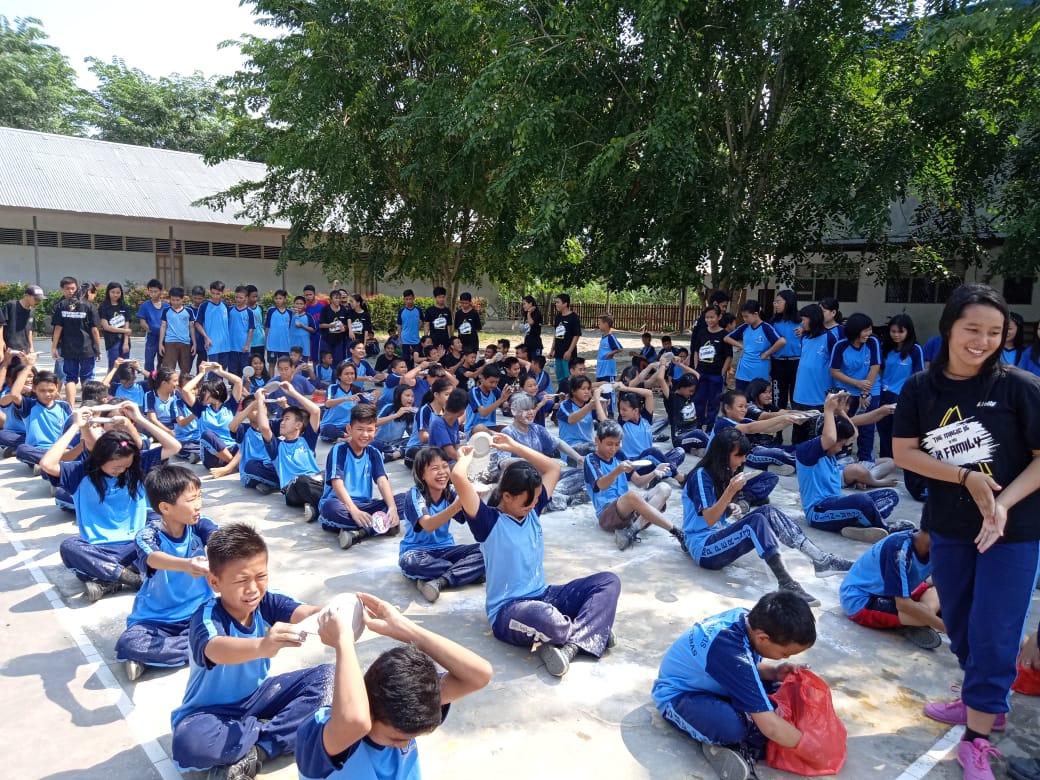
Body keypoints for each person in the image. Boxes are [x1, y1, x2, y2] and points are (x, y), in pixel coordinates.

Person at [892, 284, 1040, 778]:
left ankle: (977, 738)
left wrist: (1002, 504)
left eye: (995, 332)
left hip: (1011, 531)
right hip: (950, 525)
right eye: (972, 329)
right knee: (957, 620)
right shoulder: (921, 388)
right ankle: (983, 700)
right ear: (950, 327)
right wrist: (965, 477)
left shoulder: (1020, 387)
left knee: (995, 628)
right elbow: (904, 452)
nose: (983, 341)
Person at [452, 435, 622, 678]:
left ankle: (576, 642)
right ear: (507, 496)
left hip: (544, 595)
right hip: (509, 610)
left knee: (608, 582)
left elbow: (553, 468)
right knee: (549, 621)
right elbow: (458, 478)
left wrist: (514, 446)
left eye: (535, 499)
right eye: (527, 502)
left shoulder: (531, 510)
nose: (533, 505)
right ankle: (593, 630)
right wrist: (465, 458)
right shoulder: (487, 522)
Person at [169, 523, 330, 778]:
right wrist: (262, 646)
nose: (253, 588)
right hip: (209, 712)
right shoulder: (206, 617)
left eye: (261, 576)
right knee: (189, 743)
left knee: (331, 679)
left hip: (260, 696)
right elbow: (215, 649)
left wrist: (339, 610)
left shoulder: (267, 602)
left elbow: (306, 612)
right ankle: (273, 731)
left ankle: (259, 748)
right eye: (242, 580)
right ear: (215, 582)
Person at [295, 591, 492, 780]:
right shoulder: (321, 737)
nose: (404, 746)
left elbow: (479, 675)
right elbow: (355, 722)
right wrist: (343, 642)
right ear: (370, 711)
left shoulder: (408, 707)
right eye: (395, 739)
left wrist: (405, 628)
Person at [652, 591, 816, 780]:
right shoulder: (729, 650)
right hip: (679, 696)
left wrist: (773, 673)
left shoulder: (748, 620)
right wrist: (813, 748)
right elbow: (771, 727)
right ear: (763, 638)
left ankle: (744, 722)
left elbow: (742, 668)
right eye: (785, 653)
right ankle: (720, 742)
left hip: (714, 682)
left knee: (786, 690)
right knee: (732, 728)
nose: (786, 658)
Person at [683, 428, 850, 604]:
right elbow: (709, 519)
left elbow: (717, 509)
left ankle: (821, 559)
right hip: (704, 548)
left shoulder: (723, 471)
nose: (744, 460)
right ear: (722, 455)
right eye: (739, 456)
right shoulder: (701, 476)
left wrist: (731, 506)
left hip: (719, 534)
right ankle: (785, 582)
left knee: (767, 511)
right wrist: (730, 491)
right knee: (755, 522)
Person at [41, 404, 181, 602]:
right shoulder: (80, 473)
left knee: (164, 528)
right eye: (116, 466)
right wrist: (76, 426)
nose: (121, 470)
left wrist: (139, 419)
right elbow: (47, 464)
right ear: (100, 459)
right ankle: (132, 578)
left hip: (136, 544)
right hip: (98, 547)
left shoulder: (136, 469)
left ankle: (107, 579)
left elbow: (174, 447)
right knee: (69, 547)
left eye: (126, 466)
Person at [115, 465, 216, 681]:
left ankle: (161, 656)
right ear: (165, 507)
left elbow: (218, 538)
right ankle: (203, 646)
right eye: (191, 499)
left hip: (200, 610)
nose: (199, 504)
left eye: (199, 496)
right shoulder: (148, 535)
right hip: (156, 619)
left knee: (231, 618)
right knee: (129, 643)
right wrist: (187, 565)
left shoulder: (200, 526)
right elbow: (153, 558)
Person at [796, 391, 902, 542]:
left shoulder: (831, 452)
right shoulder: (807, 451)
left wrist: (840, 411)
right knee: (862, 501)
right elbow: (830, 438)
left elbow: (854, 434)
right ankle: (885, 529)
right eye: (840, 444)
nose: (841, 448)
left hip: (837, 504)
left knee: (890, 495)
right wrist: (828, 409)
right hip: (819, 513)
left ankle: (858, 526)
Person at [583, 419, 687, 552]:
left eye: (617, 444)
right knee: (632, 496)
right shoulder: (591, 459)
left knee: (664, 488)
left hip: (630, 511)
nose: (613, 449)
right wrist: (617, 471)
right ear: (597, 441)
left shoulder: (619, 455)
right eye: (609, 444)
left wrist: (654, 473)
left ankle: (632, 531)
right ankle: (676, 532)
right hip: (608, 514)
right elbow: (600, 485)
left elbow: (638, 481)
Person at [398, 446, 487, 602]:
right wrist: (457, 505)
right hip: (417, 552)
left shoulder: (451, 491)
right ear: (422, 474)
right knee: (410, 563)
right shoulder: (414, 495)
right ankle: (465, 571)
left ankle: (439, 581)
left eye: (445, 466)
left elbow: (473, 520)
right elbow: (428, 525)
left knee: (486, 551)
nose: (442, 472)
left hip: (446, 549)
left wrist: (475, 499)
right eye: (434, 468)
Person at [839, 528, 945, 650]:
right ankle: (917, 620)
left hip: (898, 593)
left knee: (939, 593)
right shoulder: (898, 549)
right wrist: (948, 629)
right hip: (862, 600)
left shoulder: (934, 547)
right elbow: (903, 604)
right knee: (924, 618)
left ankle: (920, 615)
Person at [319, 404, 402, 548]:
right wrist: (354, 510)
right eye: (360, 429)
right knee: (330, 508)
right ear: (349, 429)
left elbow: (382, 481)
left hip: (365, 505)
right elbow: (337, 483)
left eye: (369, 430)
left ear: (375, 431)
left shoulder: (374, 452)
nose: (365, 434)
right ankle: (379, 526)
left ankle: (360, 533)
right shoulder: (339, 450)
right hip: (342, 504)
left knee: (405, 501)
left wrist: (392, 508)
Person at [497, 391, 587, 510]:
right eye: (526, 409)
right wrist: (531, 461)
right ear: (513, 411)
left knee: (585, 473)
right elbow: (503, 462)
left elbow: (558, 442)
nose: (531, 412)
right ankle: (549, 496)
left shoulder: (536, 428)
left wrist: (578, 457)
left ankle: (550, 494)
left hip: (543, 477)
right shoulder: (508, 432)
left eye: (532, 408)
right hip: (523, 480)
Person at [254, 384, 325, 522]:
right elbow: (264, 427)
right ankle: (323, 504)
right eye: (282, 419)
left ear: (298, 425)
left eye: (287, 419)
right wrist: (260, 401)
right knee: (302, 480)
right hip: (292, 489)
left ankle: (314, 506)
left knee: (333, 475)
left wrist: (293, 392)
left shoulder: (307, 440)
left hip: (316, 480)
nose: (282, 422)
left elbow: (316, 411)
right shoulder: (277, 447)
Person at [829, 312, 882, 462]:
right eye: (865, 330)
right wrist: (857, 383)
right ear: (855, 330)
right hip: (847, 391)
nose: (868, 333)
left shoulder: (873, 342)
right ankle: (841, 456)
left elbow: (875, 367)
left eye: (870, 329)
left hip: (870, 390)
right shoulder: (841, 345)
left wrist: (865, 393)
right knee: (844, 424)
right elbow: (834, 371)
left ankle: (865, 459)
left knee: (867, 426)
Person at [9, 354, 72, 470]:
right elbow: (14, 394)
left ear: (57, 388)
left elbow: (72, 431)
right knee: (22, 450)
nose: (47, 394)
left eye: (51, 390)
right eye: (42, 391)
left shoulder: (64, 406)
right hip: (37, 450)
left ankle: (47, 464)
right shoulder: (29, 405)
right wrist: (28, 366)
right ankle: (51, 463)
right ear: (34, 389)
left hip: (59, 450)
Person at [180, 362, 245, 474]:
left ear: (216, 392)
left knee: (247, 435)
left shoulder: (230, 407)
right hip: (212, 457)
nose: (201, 394)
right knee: (207, 434)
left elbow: (238, 381)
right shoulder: (201, 409)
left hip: (232, 449)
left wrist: (220, 372)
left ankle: (228, 467)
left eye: (204, 392)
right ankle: (233, 466)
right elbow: (185, 390)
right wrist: (202, 373)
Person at [877, 314, 924, 459]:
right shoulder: (886, 348)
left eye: (900, 331)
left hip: (903, 396)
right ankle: (886, 460)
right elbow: (879, 369)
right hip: (884, 394)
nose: (896, 335)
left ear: (908, 331)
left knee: (899, 431)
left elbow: (919, 375)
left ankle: (901, 460)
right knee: (883, 430)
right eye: (893, 331)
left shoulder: (915, 350)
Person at [791, 304, 839, 444]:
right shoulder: (804, 338)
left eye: (804, 319)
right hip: (800, 396)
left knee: (816, 438)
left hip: (819, 397)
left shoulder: (830, 338)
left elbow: (836, 367)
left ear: (814, 319)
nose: (802, 323)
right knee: (798, 437)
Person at [51, 275, 102, 405]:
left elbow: (58, 328)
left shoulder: (62, 305)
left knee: (70, 379)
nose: (70, 291)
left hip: (69, 349)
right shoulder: (89, 306)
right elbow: (95, 330)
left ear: (77, 288)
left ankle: (70, 407)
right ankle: (87, 406)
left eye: (72, 288)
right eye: (67, 288)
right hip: (87, 349)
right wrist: (98, 349)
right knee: (87, 378)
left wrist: (54, 347)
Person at [725, 301, 785, 391]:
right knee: (740, 397)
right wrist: (741, 346)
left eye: (746, 316)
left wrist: (767, 353)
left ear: (756, 314)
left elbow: (782, 341)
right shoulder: (745, 327)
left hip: (759, 371)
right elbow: (726, 338)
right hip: (743, 371)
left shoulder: (766, 327)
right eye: (743, 317)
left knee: (757, 397)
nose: (744, 319)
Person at [690, 305, 732, 432]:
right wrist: (696, 369)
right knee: (699, 399)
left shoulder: (724, 335)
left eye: (712, 317)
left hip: (716, 375)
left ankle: (710, 427)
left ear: (719, 317)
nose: (709, 320)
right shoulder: (702, 332)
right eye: (707, 317)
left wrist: (722, 373)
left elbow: (729, 356)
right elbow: (696, 351)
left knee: (714, 402)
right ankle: (697, 425)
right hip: (701, 373)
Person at [320, 362, 375, 442]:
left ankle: (343, 438)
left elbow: (369, 408)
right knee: (327, 430)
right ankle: (347, 437)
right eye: (346, 374)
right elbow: (328, 404)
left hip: (348, 427)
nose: (350, 376)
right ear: (339, 376)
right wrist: (346, 398)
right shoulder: (333, 388)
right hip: (332, 425)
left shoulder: (356, 390)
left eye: (352, 374)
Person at [557, 376, 607, 458]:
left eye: (588, 389)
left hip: (589, 445)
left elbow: (605, 422)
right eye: (583, 389)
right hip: (571, 449)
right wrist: (590, 405)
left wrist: (602, 406)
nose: (587, 392)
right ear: (573, 391)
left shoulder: (590, 405)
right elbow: (571, 419)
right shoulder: (565, 405)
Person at [770, 290, 801, 410]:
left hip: (797, 363)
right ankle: (777, 420)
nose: (776, 305)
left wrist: (804, 331)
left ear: (789, 302)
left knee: (796, 396)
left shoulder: (801, 322)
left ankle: (797, 420)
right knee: (778, 397)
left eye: (778, 302)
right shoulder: (773, 322)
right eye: (775, 302)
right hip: (778, 362)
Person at [158, 286, 197, 373]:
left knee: (185, 369)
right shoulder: (166, 311)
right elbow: (163, 327)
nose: (175, 302)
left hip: (185, 342)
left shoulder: (189, 311)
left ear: (183, 299)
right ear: (170, 299)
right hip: (170, 342)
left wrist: (194, 343)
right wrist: (160, 343)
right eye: (173, 300)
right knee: (168, 369)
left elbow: (191, 328)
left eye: (178, 300)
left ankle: (183, 382)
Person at [98, 281, 133, 372]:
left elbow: (126, 324)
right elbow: (106, 326)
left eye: (118, 292)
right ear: (108, 292)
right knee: (114, 366)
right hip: (111, 341)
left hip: (124, 340)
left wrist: (126, 343)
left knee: (125, 367)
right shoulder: (103, 307)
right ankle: (112, 381)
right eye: (113, 292)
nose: (115, 295)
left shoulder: (125, 306)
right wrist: (124, 331)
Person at [137, 279, 169, 373]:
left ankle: (160, 379)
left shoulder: (166, 306)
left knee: (163, 361)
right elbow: (142, 322)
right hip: (151, 337)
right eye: (151, 291)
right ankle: (148, 380)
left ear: (161, 291)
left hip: (165, 338)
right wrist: (149, 329)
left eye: (155, 291)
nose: (153, 294)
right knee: (149, 360)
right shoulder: (145, 306)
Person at [549, 293, 582, 385]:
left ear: (565, 303)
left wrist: (569, 351)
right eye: (556, 302)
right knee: (560, 377)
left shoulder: (574, 317)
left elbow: (576, 335)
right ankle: (561, 392)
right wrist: (552, 350)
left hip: (568, 353)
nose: (556, 304)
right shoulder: (558, 317)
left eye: (558, 302)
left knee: (569, 376)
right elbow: (556, 334)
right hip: (558, 352)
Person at [595, 314, 623, 415]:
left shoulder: (611, 337)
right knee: (601, 390)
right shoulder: (604, 337)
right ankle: (602, 412)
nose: (598, 325)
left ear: (606, 324)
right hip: (601, 369)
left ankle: (610, 412)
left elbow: (619, 348)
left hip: (608, 369)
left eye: (600, 323)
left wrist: (611, 353)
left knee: (609, 390)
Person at [227, 286, 256, 376]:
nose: (238, 300)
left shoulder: (249, 312)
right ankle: (233, 384)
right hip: (231, 346)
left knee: (244, 370)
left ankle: (243, 384)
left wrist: (247, 345)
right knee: (232, 370)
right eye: (236, 297)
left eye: (241, 298)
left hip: (244, 347)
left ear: (246, 298)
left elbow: (251, 329)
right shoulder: (230, 310)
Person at [264, 290, 293, 375]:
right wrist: (266, 340)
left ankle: (284, 381)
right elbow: (267, 326)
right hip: (272, 344)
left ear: (285, 299)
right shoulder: (271, 311)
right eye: (276, 298)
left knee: (284, 365)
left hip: (285, 345)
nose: (278, 300)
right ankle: (271, 381)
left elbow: (291, 328)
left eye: (280, 298)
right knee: (271, 364)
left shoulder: (290, 312)